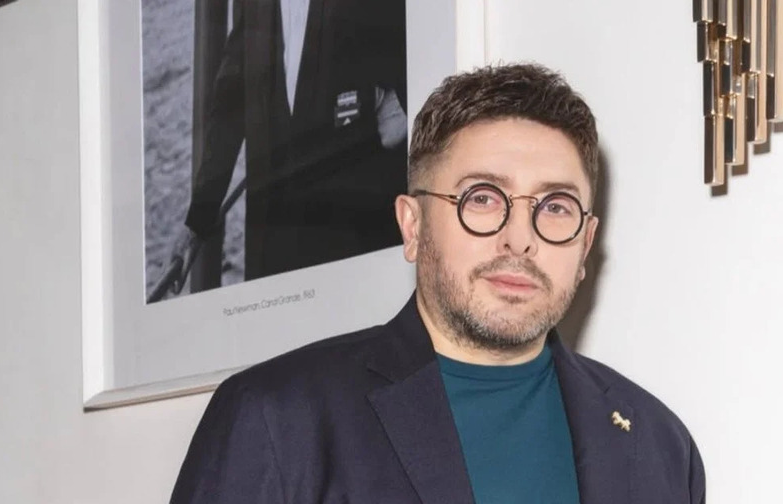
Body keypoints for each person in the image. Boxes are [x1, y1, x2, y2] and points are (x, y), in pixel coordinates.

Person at [170, 63, 706, 503]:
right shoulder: (277, 419)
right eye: (482, 198)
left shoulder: (660, 444)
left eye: (555, 206)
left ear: (585, 244)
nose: (520, 239)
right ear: (413, 226)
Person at [170, 0, 408, 288]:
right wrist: (198, 220)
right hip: (275, 249)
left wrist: (403, 112)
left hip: (352, 240)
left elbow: (416, 49)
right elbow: (229, 107)